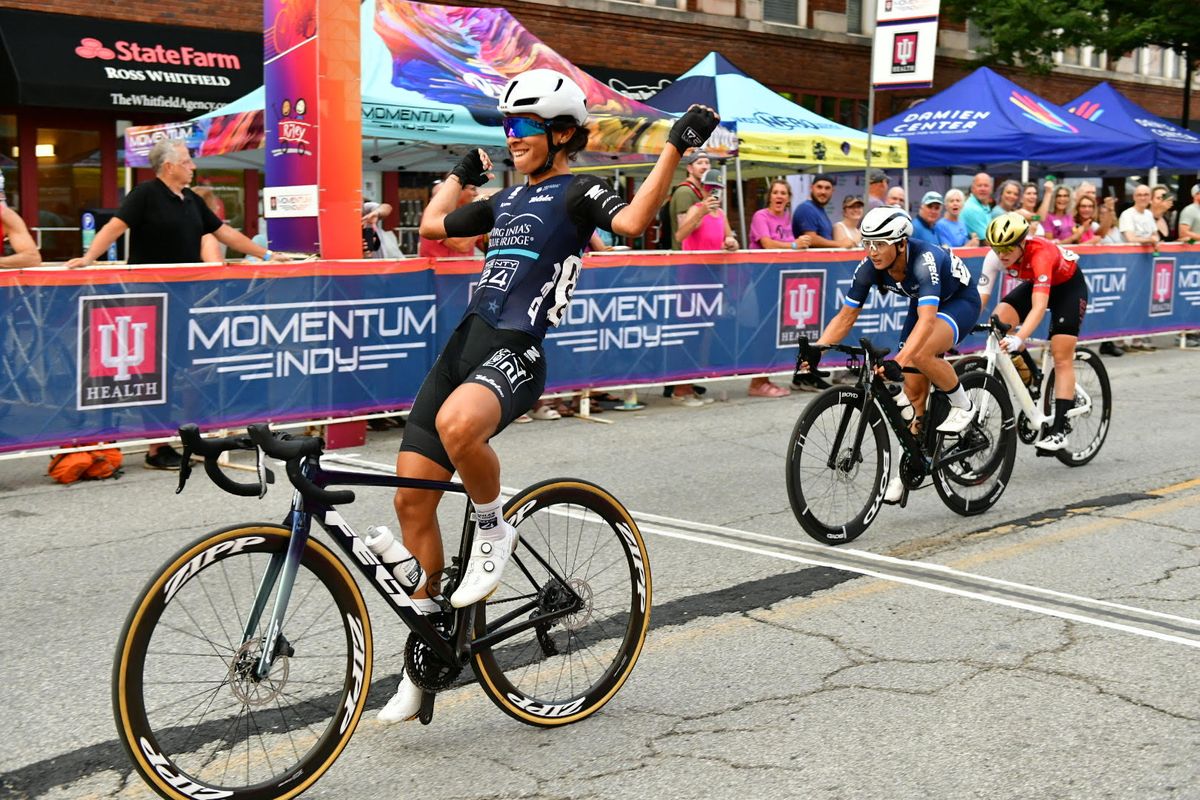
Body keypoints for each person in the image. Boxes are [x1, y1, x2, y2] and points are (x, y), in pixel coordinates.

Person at [377, 69, 719, 723]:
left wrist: (673, 146)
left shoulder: (578, 190)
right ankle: (425, 658)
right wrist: (462, 166)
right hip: (463, 348)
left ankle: (492, 527)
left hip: (517, 352)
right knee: (410, 503)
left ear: (562, 134)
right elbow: (435, 228)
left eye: (524, 127)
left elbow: (634, 220)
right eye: (507, 128)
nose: (514, 138)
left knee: (458, 428)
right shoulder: (506, 200)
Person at [65, 140, 284, 469]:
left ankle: (179, 436)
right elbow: (114, 227)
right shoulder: (145, 194)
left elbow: (224, 232)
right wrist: (88, 258)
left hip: (183, 298)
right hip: (148, 299)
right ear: (168, 167)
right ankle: (156, 447)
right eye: (187, 162)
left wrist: (266, 255)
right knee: (156, 373)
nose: (192, 167)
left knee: (180, 370)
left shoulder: (191, 199)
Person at [797, 207, 981, 504]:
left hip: (959, 301)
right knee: (913, 396)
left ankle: (964, 404)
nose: (872, 251)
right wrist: (818, 350)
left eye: (880, 243)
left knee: (918, 354)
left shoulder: (925, 261)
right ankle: (905, 469)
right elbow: (846, 316)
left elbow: (928, 321)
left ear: (901, 243)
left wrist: (900, 359)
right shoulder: (870, 266)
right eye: (867, 242)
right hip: (921, 305)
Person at [982, 212, 1090, 451]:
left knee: (1061, 355)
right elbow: (979, 300)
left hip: (1068, 288)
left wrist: (1019, 338)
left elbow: (1039, 306)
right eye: (997, 247)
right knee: (997, 322)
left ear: (1023, 242)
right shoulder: (994, 258)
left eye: (1009, 247)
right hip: (1038, 284)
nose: (1002, 254)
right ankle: (1033, 379)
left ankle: (1060, 430)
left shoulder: (1040, 253)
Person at [676, 169, 738, 252]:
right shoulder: (695, 209)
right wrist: (701, 213)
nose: (712, 192)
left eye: (717, 189)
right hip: (693, 263)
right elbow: (679, 237)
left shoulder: (721, 213)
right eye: (709, 187)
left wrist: (732, 244)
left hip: (713, 263)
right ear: (701, 188)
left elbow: (731, 238)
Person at [419, 180, 481, 257]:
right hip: (438, 268)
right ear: (459, 191)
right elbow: (461, 245)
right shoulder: (437, 213)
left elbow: (485, 246)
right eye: (473, 189)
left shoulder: (469, 214)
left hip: (465, 268)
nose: (476, 194)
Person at [750, 179, 810, 251]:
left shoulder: (787, 217)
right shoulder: (760, 216)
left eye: (783, 193)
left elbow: (790, 242)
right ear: (769, 197)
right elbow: (767, 244)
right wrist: (795, 245)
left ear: (788, 199)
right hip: (763, 261)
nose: (779, 196)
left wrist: (803, 242)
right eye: (775, 193)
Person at [668, 149, 710, 246]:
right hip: (685, 255)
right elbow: (683, 230)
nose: (704, 167)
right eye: (699, 163)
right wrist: (701, 212)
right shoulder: (685, 192)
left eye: (707, 163)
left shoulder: (702, 191)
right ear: (690, 168)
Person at [792, 175, 841, 248]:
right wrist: (840, 244)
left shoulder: (819, 209)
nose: (823, 192)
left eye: (827, 188)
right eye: (819, 187)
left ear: (832, 191)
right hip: (810, 259)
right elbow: (811, 239)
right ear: (811, 188)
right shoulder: (806, 208)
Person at [961, 172, 995, 241]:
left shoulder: (984, 205)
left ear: (991, 189)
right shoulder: (972, 208)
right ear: (972, 189)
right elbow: (987, 241)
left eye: (986, 186)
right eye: (979, 185)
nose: (983, 189)